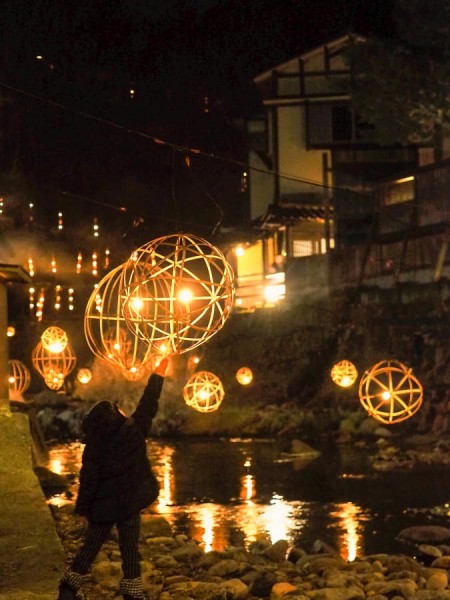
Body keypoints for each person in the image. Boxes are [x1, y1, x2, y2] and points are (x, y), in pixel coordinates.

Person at [58, 358, 169, 600]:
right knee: (130, 549)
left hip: (104, 507)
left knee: (91, 547)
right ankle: (132, 591)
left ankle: (69, 587)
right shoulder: (135, 431)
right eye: (117, 409)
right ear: (116, 417)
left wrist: (83, 509)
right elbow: (149, 403)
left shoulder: (95, 447)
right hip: (128, 505)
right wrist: (158, 374)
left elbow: (88, 480)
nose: (122, 410)